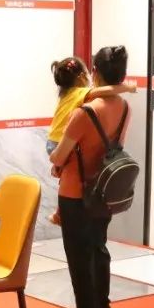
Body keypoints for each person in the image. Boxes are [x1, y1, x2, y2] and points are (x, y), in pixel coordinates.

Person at [50, 46, 131, 308]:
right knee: (99, 246)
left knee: (78, 254)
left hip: (75, 191)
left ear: (95, 72)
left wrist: (57, 161)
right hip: (105, 190)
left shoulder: (84, 112)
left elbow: (58, 156)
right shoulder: (125, 108)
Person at [46, 56, 136, 224]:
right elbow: (105, 91)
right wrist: (127, 87)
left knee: (63, 174)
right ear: (81, 77)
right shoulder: (81, 94)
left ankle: (58, 213)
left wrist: (58, 163)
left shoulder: (66, 95)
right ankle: (58, 211)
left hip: (53, 142)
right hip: (59, 145)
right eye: (88, 73)